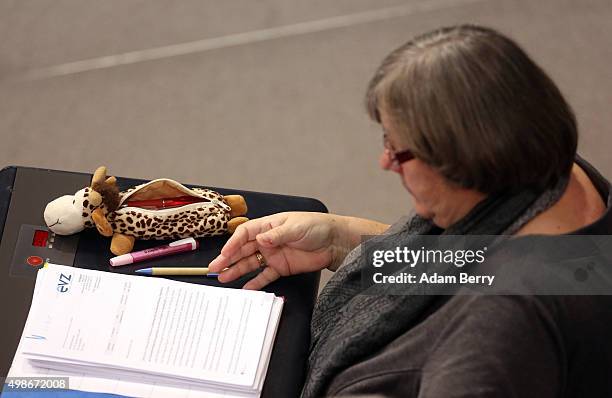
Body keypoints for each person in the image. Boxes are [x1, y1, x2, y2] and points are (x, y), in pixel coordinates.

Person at [209, 25, 612, 397]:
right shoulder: (554, 173)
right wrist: (342, 241)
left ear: (461, 165)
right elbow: (485, 261)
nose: (385, 162)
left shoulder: (498, 331)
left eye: (398, 150)